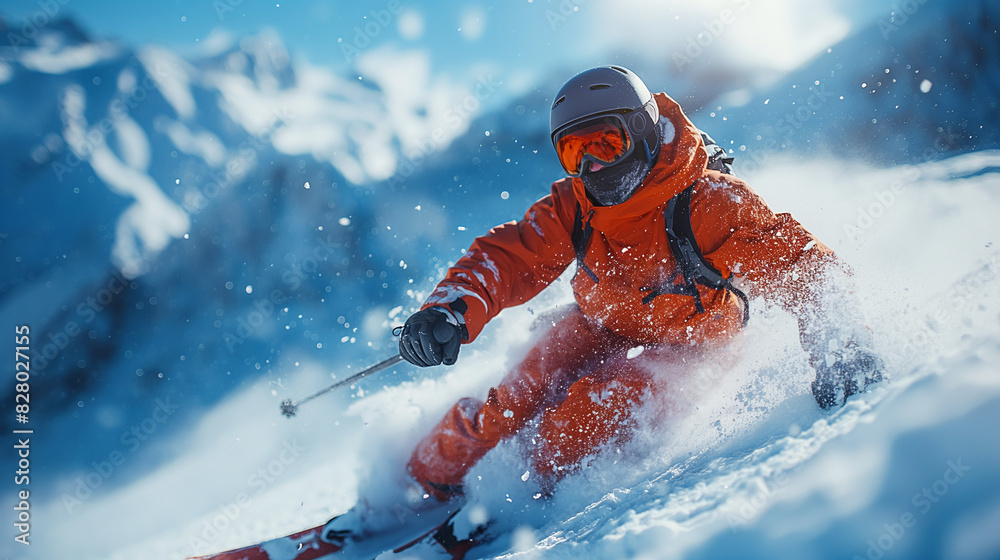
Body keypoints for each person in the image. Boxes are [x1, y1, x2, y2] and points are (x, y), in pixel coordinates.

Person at [327, 65, 883, 543]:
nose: (592, 168)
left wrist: (842, 345)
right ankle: (414, 485)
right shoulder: (575, 206)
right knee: (516, 391)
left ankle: (511, 500)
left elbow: (804, 267)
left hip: (695, 339)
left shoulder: (709, 203)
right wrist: (448, 310)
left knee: (600, 403)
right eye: (575, 153)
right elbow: (509, 257)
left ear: (641, 132)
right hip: (602, 318)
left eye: (606, 145)